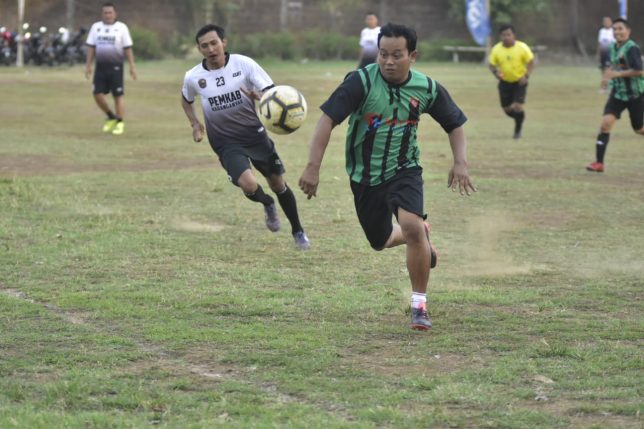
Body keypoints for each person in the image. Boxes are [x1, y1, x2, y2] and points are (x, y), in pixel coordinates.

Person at [299, 23, 475, 330]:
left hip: (405, 169)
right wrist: (313, 167)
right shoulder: (360, 82)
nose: (388, 61)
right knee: (379, 240)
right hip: (364, 176)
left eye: (397, 55)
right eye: (383, 54)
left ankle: (419, 305)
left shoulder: (427, 88)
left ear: (412, 56)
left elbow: (454, 124)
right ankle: (420, 235)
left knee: (411, 227)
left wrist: (460, 162)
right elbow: (327, 121)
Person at [181, 24, 310, 250]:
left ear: (224, 42)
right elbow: (186, 99)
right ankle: (267, 203)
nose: (210, 49)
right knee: (249, 185)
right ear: (199, 49)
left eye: (214, 43)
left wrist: (259, 96)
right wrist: (195, 123)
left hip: (255, 136)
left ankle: (298, 231)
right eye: (205, 46)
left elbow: (273, 93)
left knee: (278, 184)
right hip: (225, 142)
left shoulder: (244, 64)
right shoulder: (193, 77)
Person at [586, 18, 644, 173]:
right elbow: (613, 64)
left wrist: (617, 74)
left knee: (639, 129)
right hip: (617, 94)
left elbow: (639, 71)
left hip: (635, 95)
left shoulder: (632, 48)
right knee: (605, 124)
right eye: (615, 29)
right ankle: (599, 163)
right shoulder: (613, 46)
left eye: (620, 29)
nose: (617, 32)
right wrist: (606, 78)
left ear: (628, 31)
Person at [84, 2, 136, 135]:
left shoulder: (121, 27)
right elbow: (91, 47)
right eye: (105, 13)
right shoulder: (96, 27)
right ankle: (111, 116)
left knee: (118, 96)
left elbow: (128, 48)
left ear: (115, 14)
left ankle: (120, 123)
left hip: (116, 67)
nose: (108, 15)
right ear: (102, 14)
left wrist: (132, 66)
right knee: (97, 94)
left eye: (110, 12)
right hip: (100, 67)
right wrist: (88, 65)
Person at [488, 24, 534, 139]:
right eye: (503, 35)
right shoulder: (496, 49)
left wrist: (526, 76)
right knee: (507, 109)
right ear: (500, 36)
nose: (506, 37)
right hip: (504, 83)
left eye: (508, 34)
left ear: (514, 35)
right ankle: (520, 117)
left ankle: (517, 131)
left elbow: (531, 62)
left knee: (518, 106)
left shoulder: (522, 47)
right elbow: (491, 65)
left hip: (519, 82)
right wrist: (496, 73)